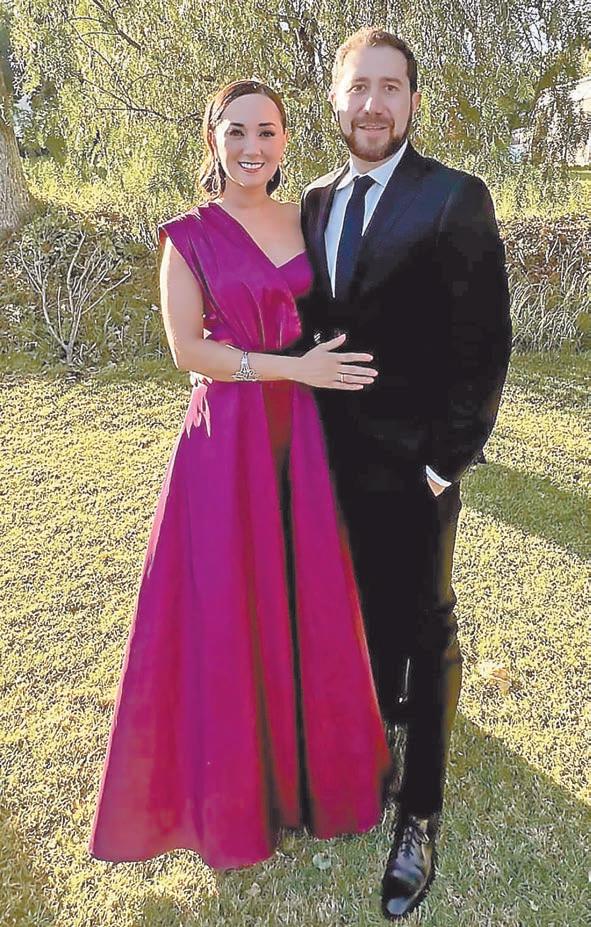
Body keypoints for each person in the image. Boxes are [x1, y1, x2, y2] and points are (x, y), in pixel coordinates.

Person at [87, 79, 393, 871]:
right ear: (212, 139)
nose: (251, 147)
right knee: (233, 600)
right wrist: (288, 368)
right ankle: (239, 794)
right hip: (228, 442)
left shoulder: (312, 220)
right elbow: (187, 350)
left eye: (266, 131)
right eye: (236, 132)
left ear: (286, 140)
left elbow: (350, 307)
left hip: (308, 438)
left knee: (310, 591)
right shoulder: (187, 236)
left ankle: (320, 775)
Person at [297, 28, 512, 919]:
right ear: (335, 99)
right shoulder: (311, 200)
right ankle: (366, 751)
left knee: (426, 630)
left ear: (413, 102)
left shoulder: (454, 197)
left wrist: (441, 464)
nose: (373, 104)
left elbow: (485, 345)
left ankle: (419, 813)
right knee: (356, 616)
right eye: (359, 87)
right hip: (326, 466)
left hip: (415, 467)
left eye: (391, 88)